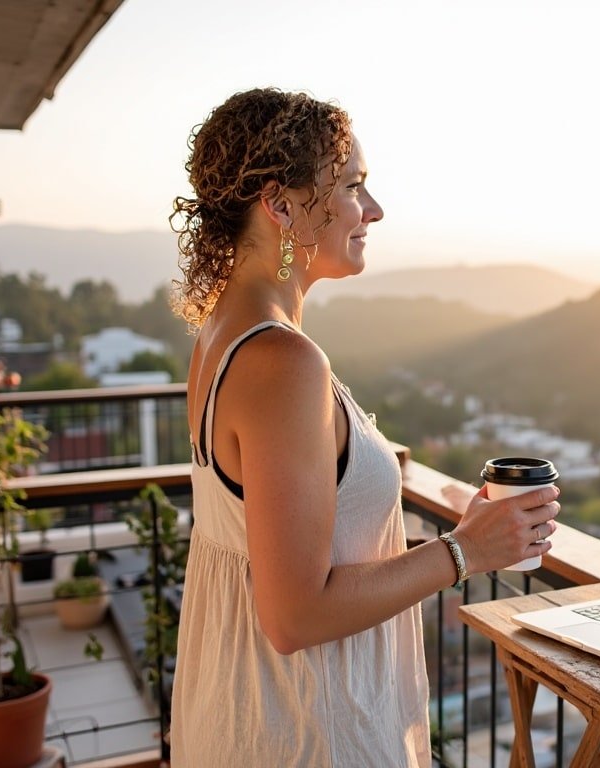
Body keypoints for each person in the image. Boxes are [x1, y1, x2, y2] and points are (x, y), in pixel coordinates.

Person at [168, 87, 560, 767]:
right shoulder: (283, 361)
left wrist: (408, 502)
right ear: (281, 204)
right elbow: (294, 617)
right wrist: (465, 552)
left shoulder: (221, 336)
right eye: (352, 186)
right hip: (304, 733)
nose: (373, 210)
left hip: (246, 716)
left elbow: (282, 526)